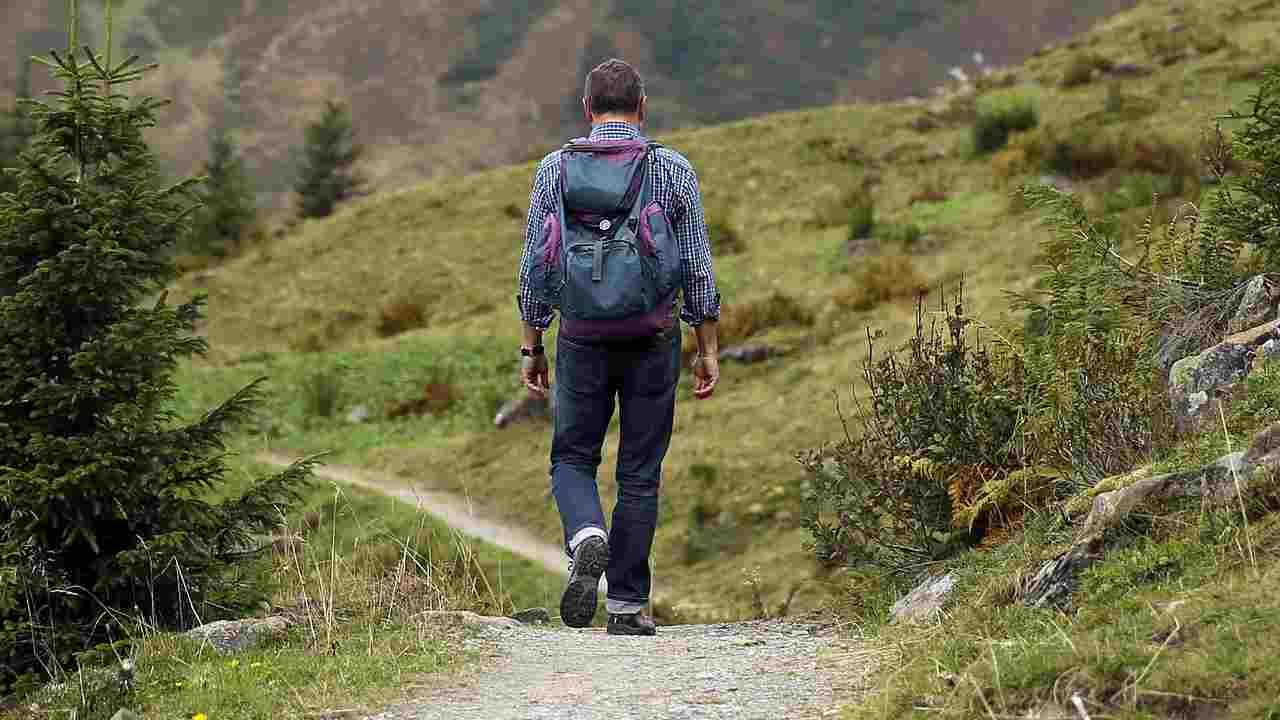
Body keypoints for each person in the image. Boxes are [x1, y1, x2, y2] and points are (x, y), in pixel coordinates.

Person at [516, 59, 721, 636]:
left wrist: (532, 345)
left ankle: (586, 535)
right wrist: (707, 346)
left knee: (572, 457)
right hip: (653, 336)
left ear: (587, 109)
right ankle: (627, 606)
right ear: (643, 106)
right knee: (639, 471)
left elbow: (536, 262)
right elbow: (699, 267)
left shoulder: (555, 169)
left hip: (581, 337)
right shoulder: (672, 169)